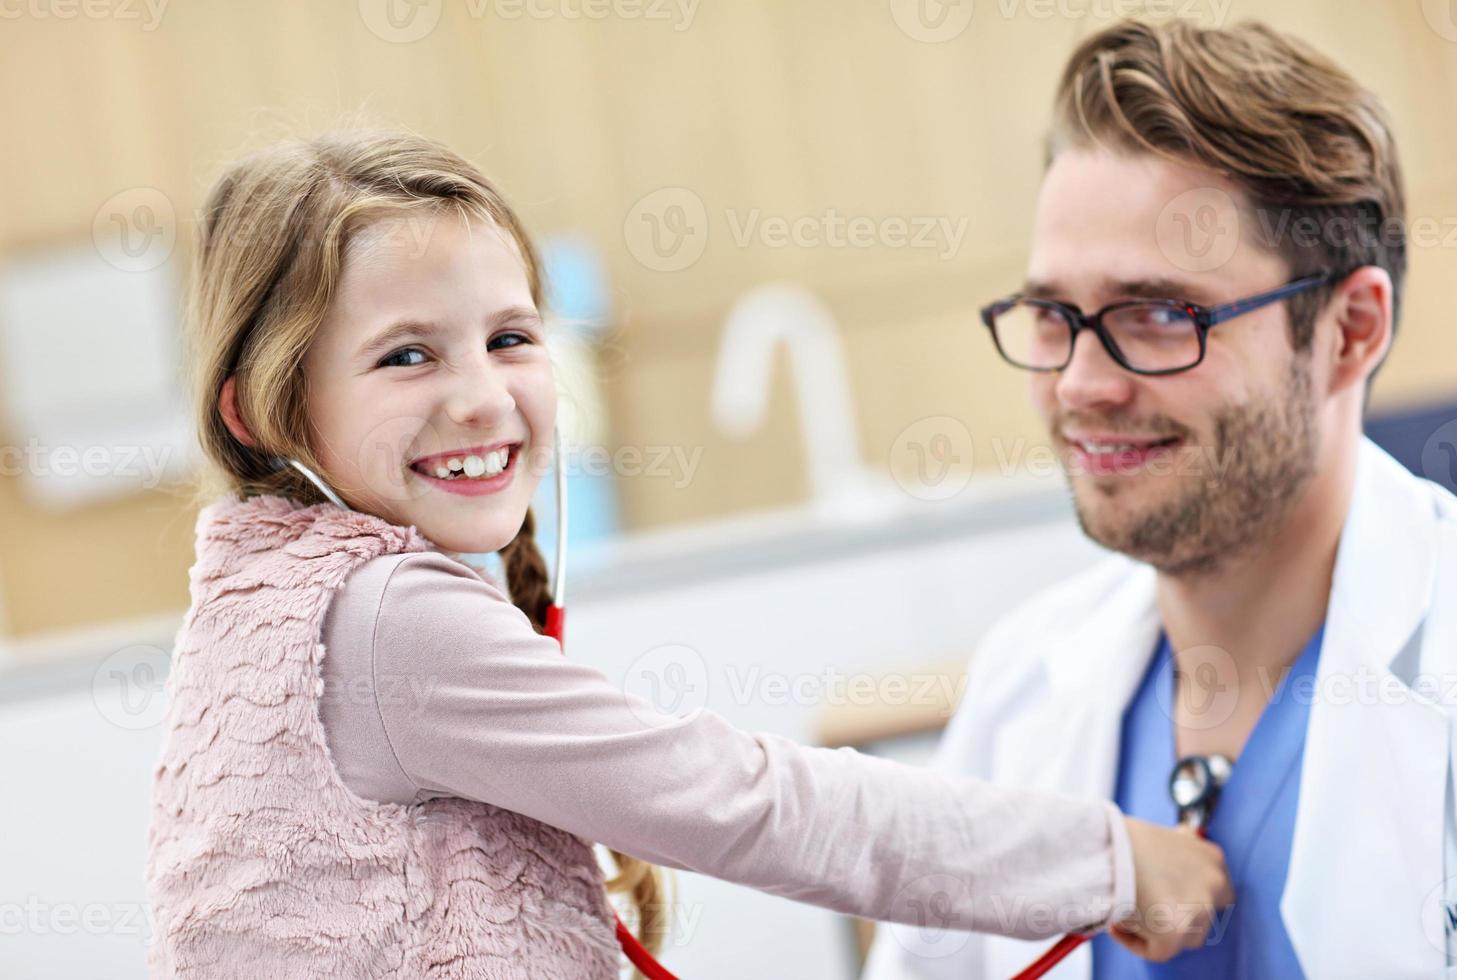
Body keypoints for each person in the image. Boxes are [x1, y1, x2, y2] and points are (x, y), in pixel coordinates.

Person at [142, 127, 1230, 979]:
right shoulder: (384, 619)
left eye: (511, 337)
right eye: (406, 354)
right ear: (261, 413)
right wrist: (1113, 861)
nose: (480, 396)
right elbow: (749, 802)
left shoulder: (264, 608)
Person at [862, 17, 1457, 980]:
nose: (1078, 385)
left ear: (1350, 330)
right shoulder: (1023, 689)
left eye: (1159, 316)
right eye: (1056, 317)